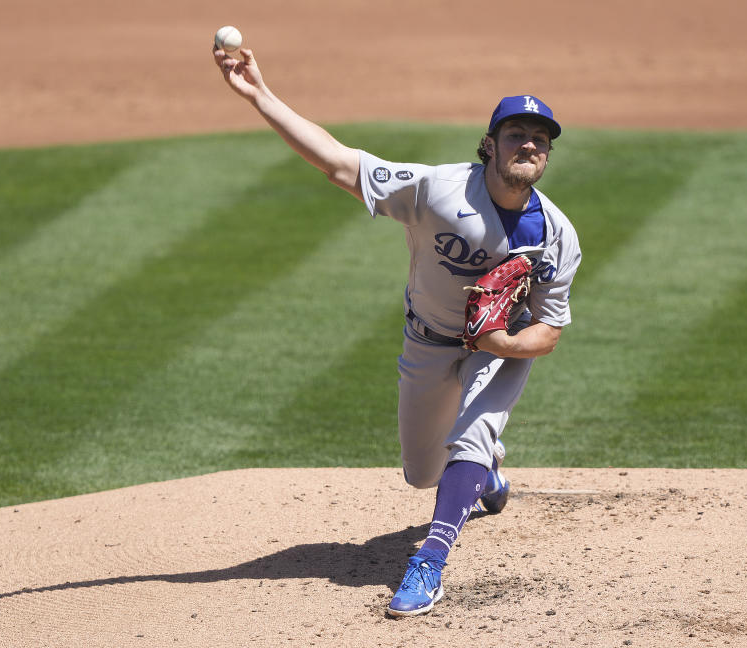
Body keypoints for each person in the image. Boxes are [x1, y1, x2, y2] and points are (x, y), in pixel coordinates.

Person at [213, 45, 581, 617]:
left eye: (539, 138)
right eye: (515, 134)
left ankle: (429, 561)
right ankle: (485, 474)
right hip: (427, 343)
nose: (528, 145)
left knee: (473, 433)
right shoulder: (437, 189)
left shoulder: (557, 235)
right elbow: (338, 162)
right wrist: (260, 94)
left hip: (499, 351)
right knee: (421, 471)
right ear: (490, 144)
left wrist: (502, 343)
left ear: (548, 154)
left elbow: (549, 331)